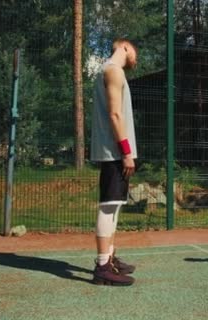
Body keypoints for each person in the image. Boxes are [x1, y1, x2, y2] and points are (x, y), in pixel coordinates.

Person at [90, 38, 138, 286]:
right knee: (108, 206)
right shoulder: (112, 70)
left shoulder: (112, 71)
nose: (136, 61)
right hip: (114, 152)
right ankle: (102, 267)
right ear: (125, 47)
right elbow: (115, 114)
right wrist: (126, 152)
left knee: (115, 205)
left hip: (116, 152)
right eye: (135, 54)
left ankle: (109, 257)